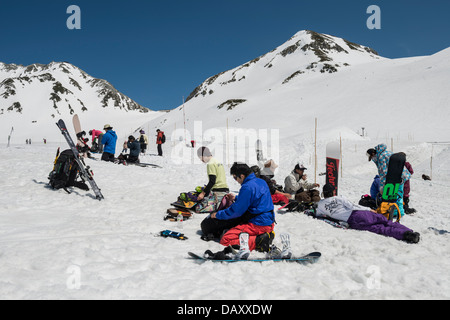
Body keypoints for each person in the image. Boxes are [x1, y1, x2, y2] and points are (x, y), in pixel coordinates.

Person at [204, 163, 276, 259]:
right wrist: (237, 197)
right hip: (269, 222)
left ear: (241, 176)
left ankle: (259, 241)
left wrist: (217, 215)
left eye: (235, 178)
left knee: (226, 239)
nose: (236, 181)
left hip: (258, 224)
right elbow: (254, 199)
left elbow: (236, 212)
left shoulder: (247, 187)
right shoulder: (260, 181)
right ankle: (266, 235)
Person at [316, 184, 420, 243]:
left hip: (353, 222)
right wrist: (368, 209)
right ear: (333, 192)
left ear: (324, 193)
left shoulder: (320, 204)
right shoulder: (339, 198)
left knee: (381, 229)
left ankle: (406, 236)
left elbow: (318, 214)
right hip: (359, 213)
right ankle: (409, 232)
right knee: (387, 222)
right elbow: (352, 206)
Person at [367, 144, 411, 217]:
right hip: (402, 176)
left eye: (372, 158)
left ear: (373, 154)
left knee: (395, 195)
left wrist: (382, 186)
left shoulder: (381, 157)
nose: (373, 160)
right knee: (399, 194)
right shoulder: (387, 153)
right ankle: (400, 212)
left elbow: (383, 173)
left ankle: (397, 212)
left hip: (396, 177)